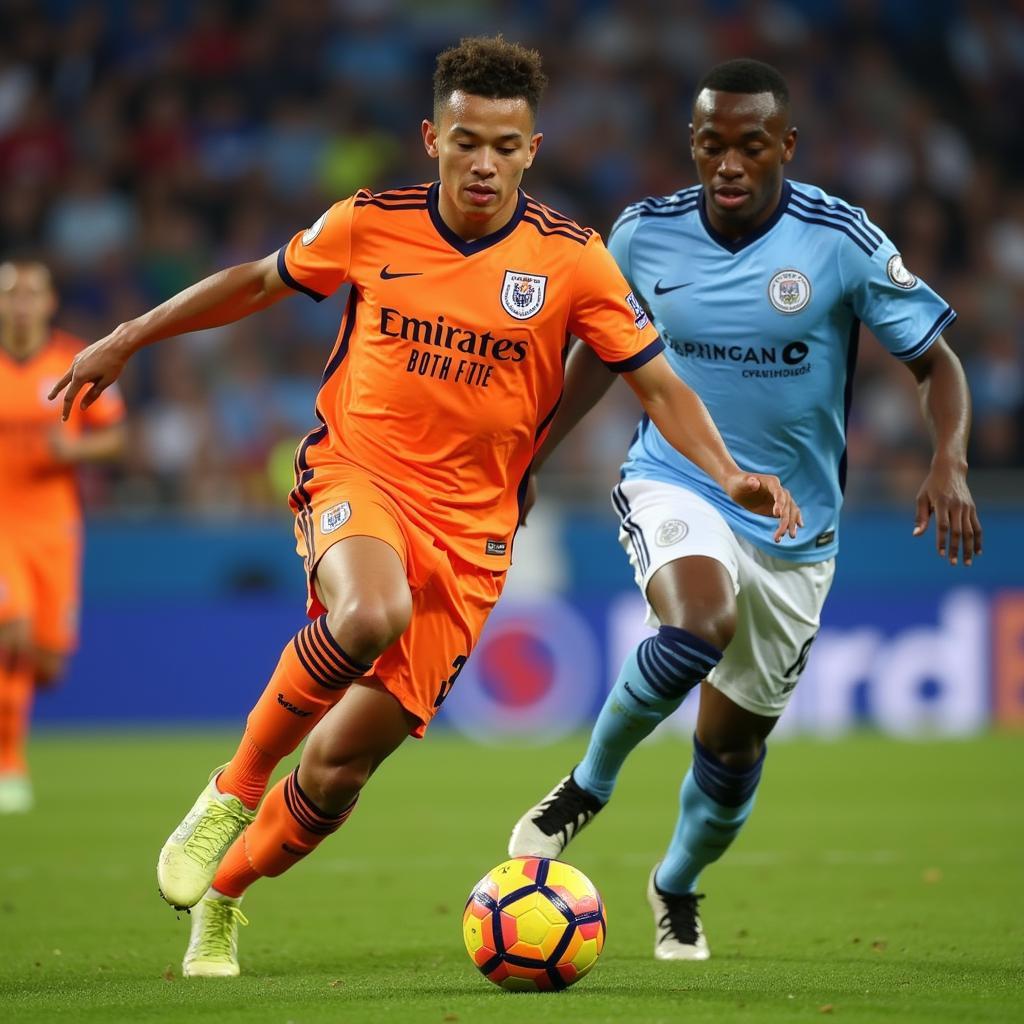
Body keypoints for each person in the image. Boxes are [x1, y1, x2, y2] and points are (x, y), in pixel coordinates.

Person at [51, 38, 799, 978]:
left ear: (532, 150)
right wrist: (131, 335)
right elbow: (255, 280)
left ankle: (228, 895)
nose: (482, 163)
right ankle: (232, 791)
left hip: (474, 535)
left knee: (335, 769)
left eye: (503, 146)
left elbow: (657, 384)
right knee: (369, 613)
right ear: (430, 139)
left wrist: (728, 476)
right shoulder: (370, 224)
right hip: (357, 473)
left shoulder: (573, 261)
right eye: (464, 141)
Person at [508, 58, 982, 961]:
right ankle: (585, 788)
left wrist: (949, 461)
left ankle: (675, 884)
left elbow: (938, 363)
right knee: (698, 624)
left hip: (799, 531)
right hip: (677, 480)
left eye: (749, 145)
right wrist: (531, 454)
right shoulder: (643, 236)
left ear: (785, 147)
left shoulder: (838, 240)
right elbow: (603, 357)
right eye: (710, 144)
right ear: (691, 145)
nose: (728, 162)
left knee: (729, 756)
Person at [0, 260, 125, 813]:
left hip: (54, 528)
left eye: (32, 294)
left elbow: (116, 437)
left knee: (46, 660)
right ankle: (9, 764)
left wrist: (74, 451)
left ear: (49, 303)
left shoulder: (73, 361)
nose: (21, 303)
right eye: (11, 294)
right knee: (14, 632)